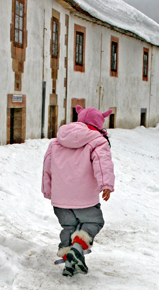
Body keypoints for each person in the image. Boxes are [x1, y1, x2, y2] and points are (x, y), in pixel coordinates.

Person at [41, 105, 115, 277]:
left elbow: (47, 167)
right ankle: (77, 249)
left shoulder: (56, 142)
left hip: (60, 199)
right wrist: (106, 185)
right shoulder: (98, 141)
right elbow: (102, 162)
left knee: (69, 227)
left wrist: (48, 189)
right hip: (85, 198)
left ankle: (69, 262)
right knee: (93, 223)